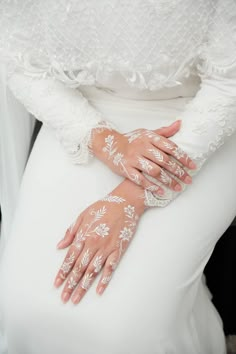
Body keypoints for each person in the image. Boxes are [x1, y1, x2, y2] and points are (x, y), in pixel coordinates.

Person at [0, 1, 236, 353]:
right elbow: (20, 62)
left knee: (126, 329)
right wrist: (110, 145)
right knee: (21, 307)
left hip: (198, 120)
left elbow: (229, 83)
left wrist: (130, 195)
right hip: (82, 117)